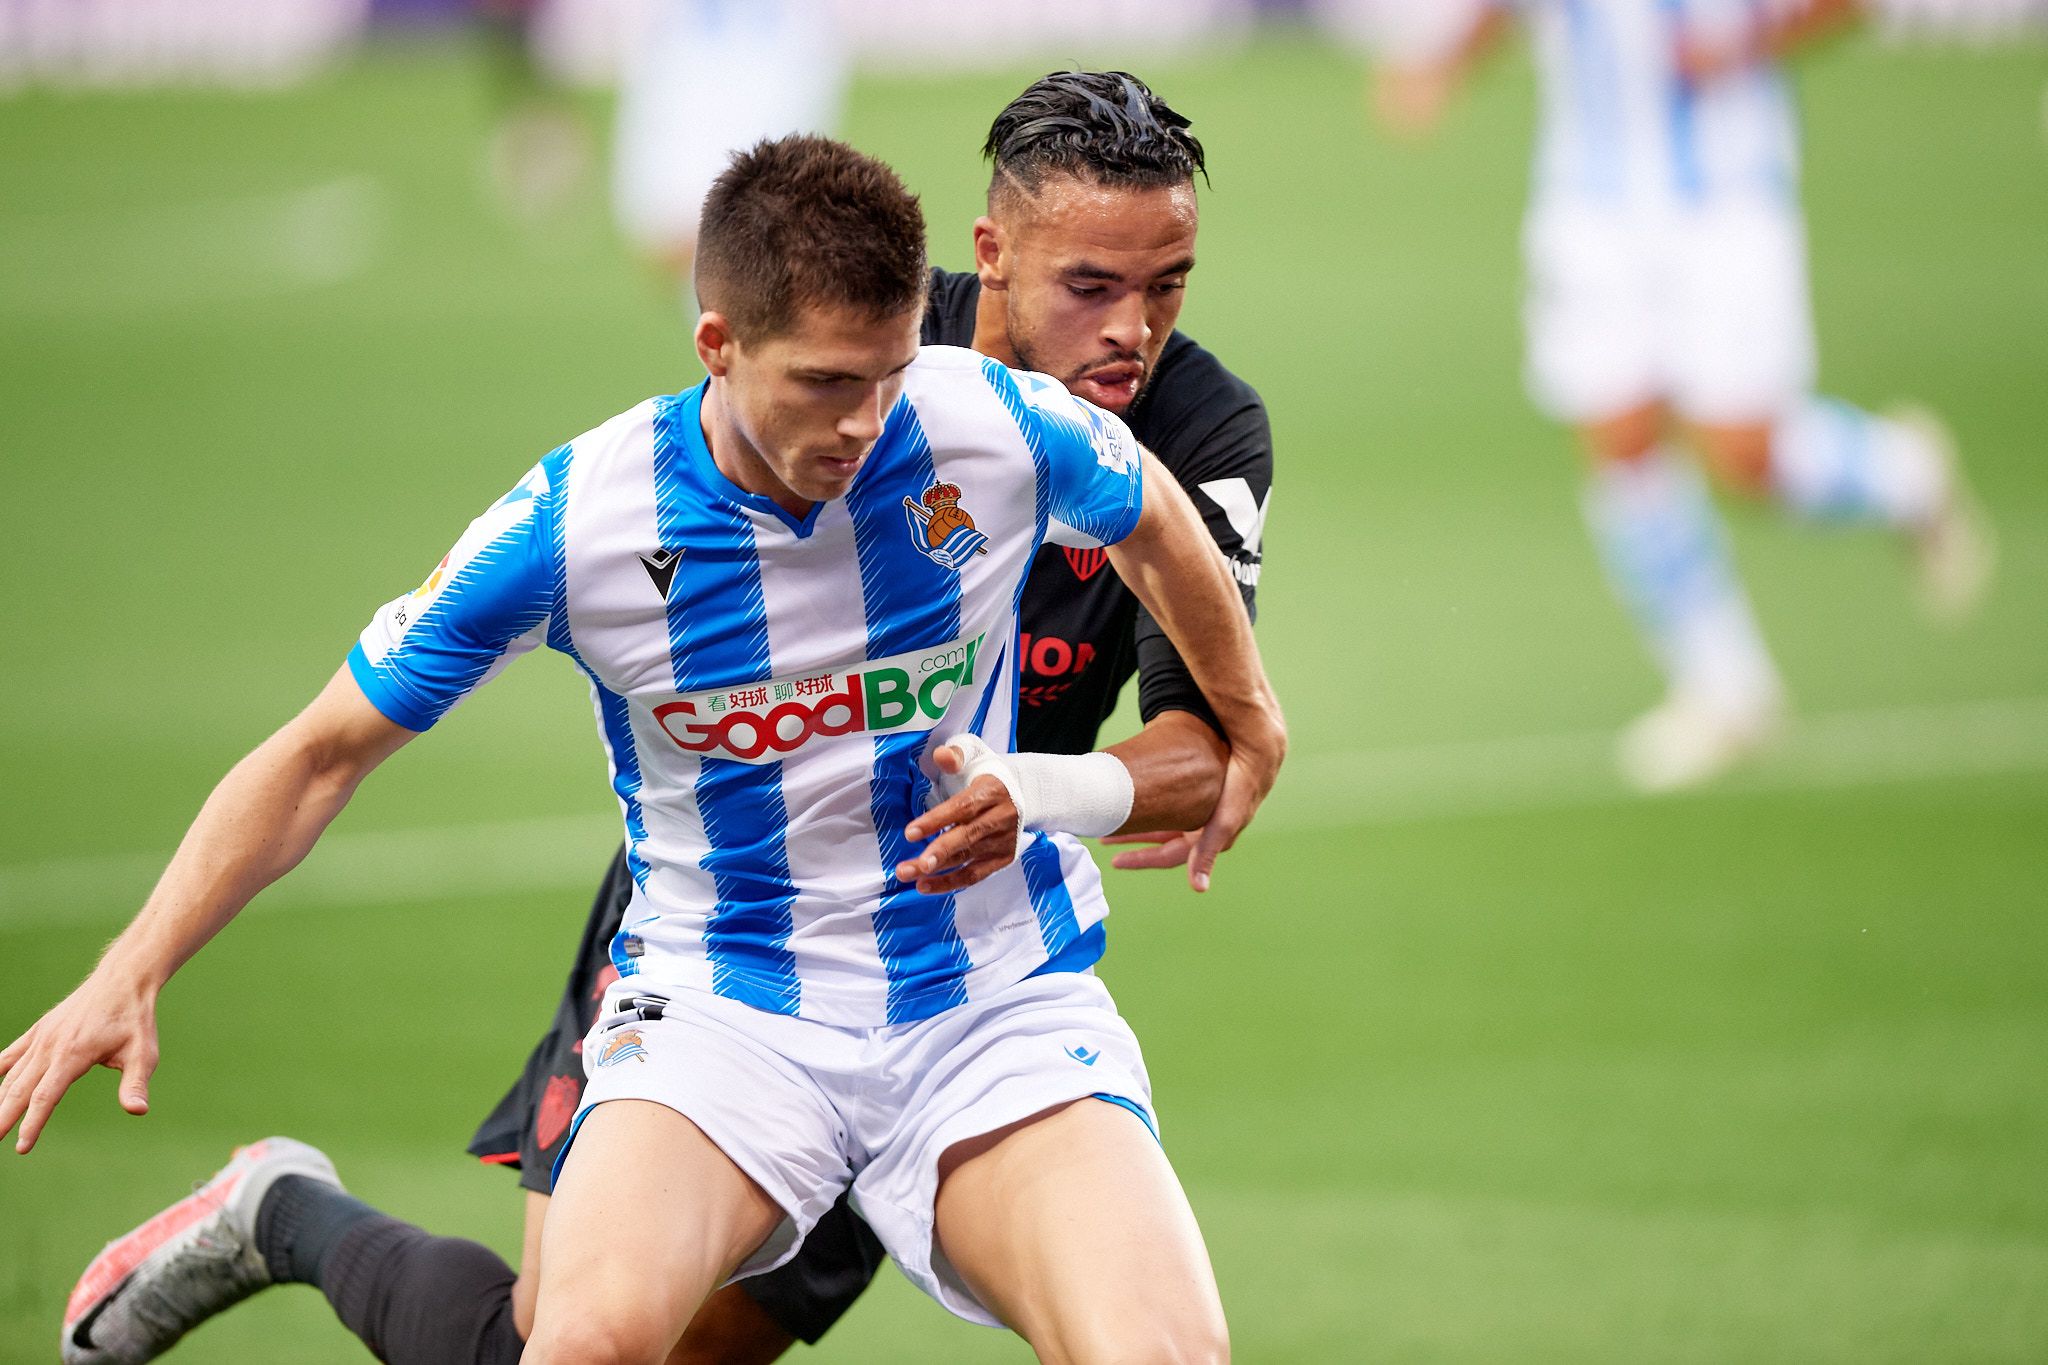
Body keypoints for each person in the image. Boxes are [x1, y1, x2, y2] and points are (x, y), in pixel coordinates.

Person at [11, 131, 1283, 1365]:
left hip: (988, 998)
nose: (866, 420)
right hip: (727, 1004)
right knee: (582, 1346)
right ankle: (278, 1210)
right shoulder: (579, 524)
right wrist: (133, 964)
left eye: (890, 371)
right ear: (716, 348)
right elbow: (323, 753)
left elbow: (1147, 508)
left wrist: (1246, 702)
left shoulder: (987, 422)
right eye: (825, 384)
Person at [1370, 0, 1993, 790]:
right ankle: (1724, 687)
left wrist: (1744, 43)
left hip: (1724, 203)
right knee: (1620, 437)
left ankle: (1902, 474)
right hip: (1590, 204)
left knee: (1745, 455)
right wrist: (1446, 62)